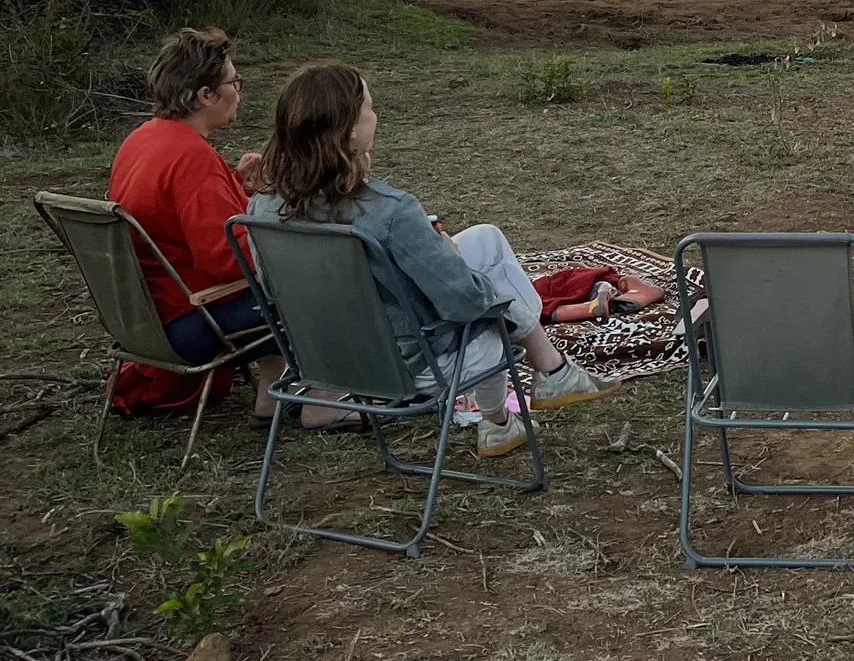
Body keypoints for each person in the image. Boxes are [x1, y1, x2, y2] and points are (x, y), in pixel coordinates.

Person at [250, 62, 614, 458]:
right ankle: (499, 420)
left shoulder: (262, 209)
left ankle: (555, 373)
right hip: (413, 366)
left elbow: (272, 293)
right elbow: (467, 303)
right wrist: (447, 259)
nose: (376, 115)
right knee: (491, 311)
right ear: (350, 129)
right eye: (369, 107)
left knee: (485, 241)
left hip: (325, 364)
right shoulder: (391, 213)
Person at [110, 27, 343, 425]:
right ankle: (325, 402)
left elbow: (174, 220)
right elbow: (230, 260)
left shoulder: (144, 139)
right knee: (325, 274)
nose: (240, 90)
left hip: (143, 323)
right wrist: (293, 232)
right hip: (189, 325)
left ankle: (272, 398)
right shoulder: (191, 158)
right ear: (205, 95)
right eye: (235, 82)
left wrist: (232, 186)